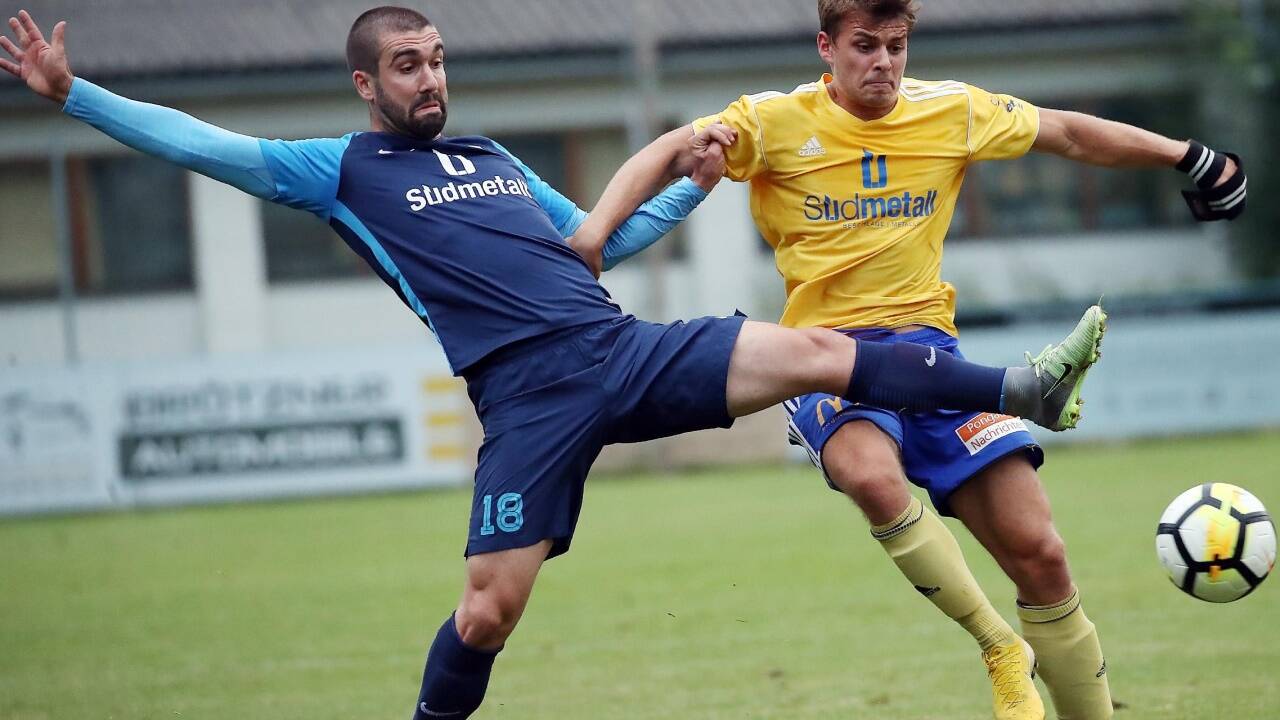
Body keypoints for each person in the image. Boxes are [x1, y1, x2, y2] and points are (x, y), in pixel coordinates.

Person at [2, 6, 1109, 718]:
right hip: (527, 398)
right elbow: (205, 146)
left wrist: (692, 188)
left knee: (824, 352)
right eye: (406, 66)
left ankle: (1020, 387)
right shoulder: (335, 169)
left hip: (620, 349)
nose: (428, 79)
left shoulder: (489, 156)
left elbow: (595, 242)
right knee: (488, 613)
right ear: (366, 85)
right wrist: (74, 95)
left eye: (437, 60)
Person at [571, 2, 1248, 720]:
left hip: (933, 358)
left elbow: (1068, 133)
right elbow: (667, 151)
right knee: (870, 474)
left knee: (1042, 553)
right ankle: (999, 645)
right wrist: (593, 234)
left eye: (896, 46)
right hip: (825, 357)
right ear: (827, 46)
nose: (883, 63)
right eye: (865, 45)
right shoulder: (772, 121)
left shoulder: (951, 110)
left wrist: (1190, 156)